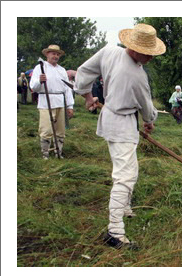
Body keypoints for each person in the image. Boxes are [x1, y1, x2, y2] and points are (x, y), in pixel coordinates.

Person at [74, 23, 166, 249]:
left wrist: (87, 96)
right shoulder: (136, 75)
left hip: (114, 118)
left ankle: (124, 206)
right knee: (125, 175)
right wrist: (149, 121)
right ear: (134, 49)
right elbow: (146, 106)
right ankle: (114, 231)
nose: (151, 58)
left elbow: (83, 73)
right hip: (121, 123)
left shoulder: (108, 52)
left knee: (129, 168)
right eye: (148, 54)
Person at [30, 45, 74, 159]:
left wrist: (70, 106)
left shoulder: (62, 70)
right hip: (46, 101)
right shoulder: (40, 67)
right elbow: (33, 86)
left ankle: (58, 152)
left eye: (57, 54)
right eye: (53, 53)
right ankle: (45, 154)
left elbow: (67, 89)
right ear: (47, 54)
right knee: (46, 129)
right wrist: (39, 81)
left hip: (60, 101)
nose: (55, 56)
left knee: (60, 130)